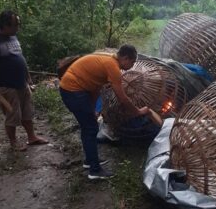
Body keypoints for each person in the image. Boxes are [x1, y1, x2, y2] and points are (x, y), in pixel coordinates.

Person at [59, 44, 149, 180]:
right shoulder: (112, 67)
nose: (132, 65)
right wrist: (137, 111)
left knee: (88, 126)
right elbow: (122, 97)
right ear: (125, 58)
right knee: (90, 128)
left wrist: (93, 109)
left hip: (73, 89)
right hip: (73, 91)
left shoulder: (109, 60)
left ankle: (90, 161)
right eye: (132, 62)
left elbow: (96, 87)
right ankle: (94, 171)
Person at [0, 10, 48, 151]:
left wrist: (29, 79)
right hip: (7, 86)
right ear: (5, 25)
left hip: (22, 83)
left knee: (27, 112)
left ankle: (32, 137)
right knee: (13, 115)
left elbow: (20, 58)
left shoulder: (13, 36)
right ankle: (13, 142)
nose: (17, 28)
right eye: (15, 25)